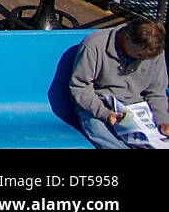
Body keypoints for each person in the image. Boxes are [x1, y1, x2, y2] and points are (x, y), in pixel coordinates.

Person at [69, 18, 169, 149]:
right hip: (99, 106)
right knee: (106, 137)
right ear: (127, 38)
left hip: (136, 108)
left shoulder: (153, 52)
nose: (144, 60)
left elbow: (157, 92)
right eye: (140, 55)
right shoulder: (94, 45)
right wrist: (104, 113)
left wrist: (163, 121)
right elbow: (80, 87)